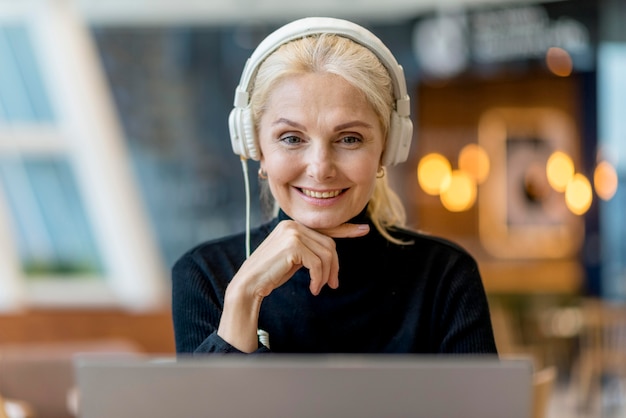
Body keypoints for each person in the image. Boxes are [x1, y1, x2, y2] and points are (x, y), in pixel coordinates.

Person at [172, 17, 498, 355]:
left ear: (387, 148)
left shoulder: (444, 277)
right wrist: (242, 299)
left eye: (349, 138)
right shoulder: (206, 276)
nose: (320, 168)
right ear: (257, 150)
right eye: (292, 138)